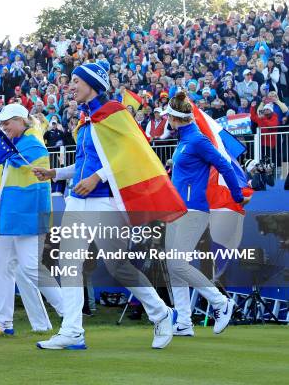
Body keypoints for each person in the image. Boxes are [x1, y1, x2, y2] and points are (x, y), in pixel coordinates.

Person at [33, 62, 176, 350]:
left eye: (75, 80)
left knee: (117, 266)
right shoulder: (85, 120)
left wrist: (97, 177)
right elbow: (86, 163)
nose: (69, 85)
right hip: (78, 199)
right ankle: (72, 331)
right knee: (68, 263)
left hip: (107, 200)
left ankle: (161, 313)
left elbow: (131, 155)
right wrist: (57, 174)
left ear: (92, 84)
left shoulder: (115, 112)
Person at [164, 91, 250, 336]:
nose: (166, 120)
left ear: (175, 118)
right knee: (174, 266)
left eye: (168, 116)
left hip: (193, 211)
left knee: (178, 264)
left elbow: (224, 163)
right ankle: (183, 321)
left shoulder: (198, 140)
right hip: (179, 210)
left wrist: (235, 195)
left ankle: (221, 303)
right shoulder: (184, 140)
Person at [0, 103, 64, 337]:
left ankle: (69, 312)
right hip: (10, 215)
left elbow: (28, 167)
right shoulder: (18, 143)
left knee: (31, 268)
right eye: (2, 124)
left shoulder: (32, 142)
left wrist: (7, 152)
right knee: (1, 268)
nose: (4, 128)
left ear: (20, 120)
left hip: (25, 215)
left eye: (7, 123)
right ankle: (3, 323)